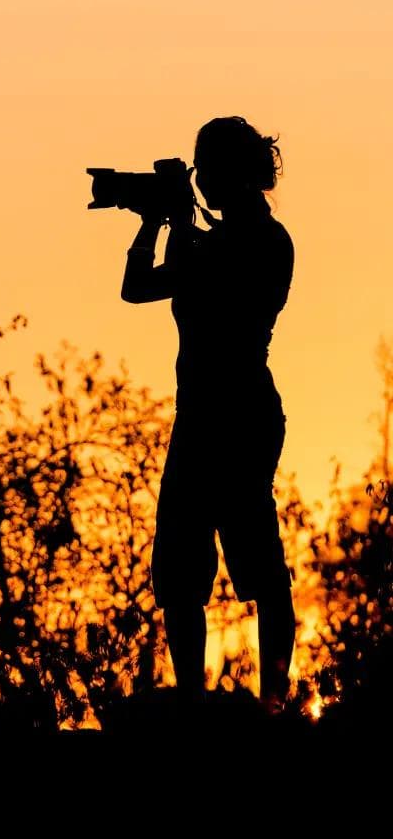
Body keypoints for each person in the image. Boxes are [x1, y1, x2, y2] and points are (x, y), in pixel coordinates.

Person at [121, 116, 296, 717]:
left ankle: (275, 703)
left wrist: (175, 221)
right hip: (198, 415)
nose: (204, 178)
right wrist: (156, 222)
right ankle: (194, 705)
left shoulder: (264, 242)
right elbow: (136, 286)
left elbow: (200, 269)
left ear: (242, 172)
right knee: (179, 572)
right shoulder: (211, 241)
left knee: (259, 566)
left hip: (240, 413)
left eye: (210, 166)